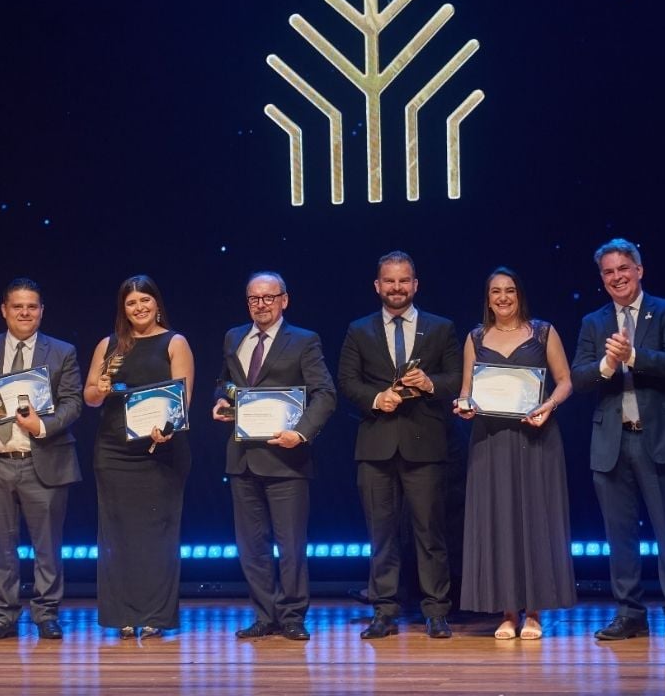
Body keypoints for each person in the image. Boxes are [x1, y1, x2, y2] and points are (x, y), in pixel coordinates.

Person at [571, 238, 665, 643]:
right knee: (619, 535)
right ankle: (630, 614)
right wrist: (607, 364)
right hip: (612, 440)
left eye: (623, 269)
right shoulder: (594, 322)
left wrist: (632, 356)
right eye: (608, 272)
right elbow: (578, 377)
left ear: (639, 270)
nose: (616, 277)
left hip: (658, 438)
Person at [338, 250, 461, 639]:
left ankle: (436, 610)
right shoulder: (359, 329)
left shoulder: (441, 328)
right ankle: (384, 610)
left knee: (429, 532)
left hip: (425, 445)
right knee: (382, 534)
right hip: (375, 446)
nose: (396, 287)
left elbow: (458, 378)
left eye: (403, 280)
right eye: (389, 281)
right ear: (378, 286)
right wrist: (376, 399)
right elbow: (347, 381)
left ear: (415, 284)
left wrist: (432, 384)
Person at [0, 278, 83, 642]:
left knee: (47, 546)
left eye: (32, 306)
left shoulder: (62, 351)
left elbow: (73, 402)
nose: (25, 313)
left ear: (41, 311)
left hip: (42, 457)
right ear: (4, 310)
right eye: (18, 306)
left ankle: (46, 614)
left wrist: (43, 425)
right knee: (1, 548)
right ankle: (4, 616)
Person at [211, 272, 336, 641]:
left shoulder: (304, 341)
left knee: (290, 544)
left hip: (287, 459)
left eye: (269, 297)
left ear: (284, 300)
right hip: (242, 457)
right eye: (254, 298)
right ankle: (265, 615)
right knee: (252, 546)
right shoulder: (234, 337)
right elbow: (225, 382)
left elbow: (325, 394)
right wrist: (221, 400)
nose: (261, 304)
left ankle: (293, 615)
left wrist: (300, 433)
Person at [453, 267, 576, 640]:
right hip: (490, 441)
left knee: (535, 520)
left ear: (519, 294)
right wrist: (463, 405)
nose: (503, 297)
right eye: (495, 292)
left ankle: (534, 612)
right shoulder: (475, 337)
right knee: (499, 520)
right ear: (487, 298)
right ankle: (507, 612)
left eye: (509, 290)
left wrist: (549, 406)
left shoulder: (543, 331)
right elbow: (466, 391)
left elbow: (565, 381)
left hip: (536, 438)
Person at [84, 275, 194, 638]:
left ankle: (155, 615)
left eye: (145, 300)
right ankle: (123, 615)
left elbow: (183, 400)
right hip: (113, 452)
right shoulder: (110, 345)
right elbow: (90, 396)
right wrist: (98, 389)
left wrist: (169, 427)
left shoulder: (175, 342)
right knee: (117, 534)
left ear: (157, 303)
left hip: (159, 451)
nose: (139, 308)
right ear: (123, 309)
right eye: (131, 303)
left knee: (157, 535)